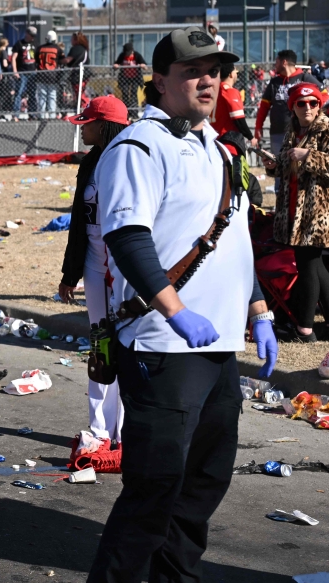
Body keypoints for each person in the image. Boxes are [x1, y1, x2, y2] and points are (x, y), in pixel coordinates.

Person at [87, 27, 277, 581]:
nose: (208, 81)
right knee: (154, 491)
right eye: (194, 70)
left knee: (203, 484)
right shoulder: (138, 146)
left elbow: (233, 240)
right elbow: (128, 239)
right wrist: (176, 310)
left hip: (217, 344)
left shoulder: (216, 147)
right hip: (165, 346)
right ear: (161, 80)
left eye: (215, 71)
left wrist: (259, 313)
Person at [59, 96, 129, 445]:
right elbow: (78, 223)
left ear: (103, 125)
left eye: (86, 123)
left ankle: (128, 432)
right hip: (93, 264)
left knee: (129, 345)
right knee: (101, 344)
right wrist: (69, 274)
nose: (81, 128)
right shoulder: (90, 162)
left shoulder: (131, 157)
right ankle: (101, 431)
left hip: (126, 265)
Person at [263, 83, 329, 342]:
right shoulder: (293, 130)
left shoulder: (325, 128)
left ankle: (305, 328)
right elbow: (287, 164)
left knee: (308, 265)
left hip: (317, 210)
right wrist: (272, 165)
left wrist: (308, 155)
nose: (308, 108)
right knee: (317, 266)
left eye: (313, 102)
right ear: (293, 107)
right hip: (292, 210)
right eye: (301, 104)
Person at [254, 50, 321, 192]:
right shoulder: (274, 82)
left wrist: (317, 116)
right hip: (278, 131)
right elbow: (264, 107)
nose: (274, 65)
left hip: (302, 131)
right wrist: (258, 127)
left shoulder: (305, 77)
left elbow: (323, 95)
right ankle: (280, 196)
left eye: (276, 61)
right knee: (278, 165)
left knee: (301, 166)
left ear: (284, 62)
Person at [212, 63, 253, 141]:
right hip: (228, 140)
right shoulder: (230, 91)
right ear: (231, 74)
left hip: (214, 139)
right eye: (235, 72)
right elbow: (238, 119)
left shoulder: (214, 91)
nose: (236, 75)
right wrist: (251, 137)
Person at [36, 30, 65, 119]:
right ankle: (52, 115)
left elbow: (36, 60)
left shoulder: (40, 48)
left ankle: (41, 115)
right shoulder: (57, 49)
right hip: (53, 75)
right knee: (52, 96)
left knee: (42, 96)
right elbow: (62, 60)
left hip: (41, 74)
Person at [113, 43, 148, 113]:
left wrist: (142, 65)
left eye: (128, 52)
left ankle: (134, 111)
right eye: (126, 52)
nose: (127, 54)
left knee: (133, 93)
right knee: (125, 93)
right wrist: (116, 65)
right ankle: (126, 111)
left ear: (132, 51)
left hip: (135, 78)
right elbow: (117, 63)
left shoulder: (137, 55)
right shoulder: (122, 55)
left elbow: (145, 66)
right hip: (125, 78)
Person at [11, 27, 38, 115]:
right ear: (27, 34)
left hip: (33, 73)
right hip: (22, 72)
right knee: (19, 92)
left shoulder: (35, 44)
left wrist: (37, 69)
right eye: (31, 35)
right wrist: (15, 71)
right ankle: (16, 114)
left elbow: (37, 58)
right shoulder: (19, 44)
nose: (33, 37)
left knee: (32, 93)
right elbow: (13, 58)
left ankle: (32, 114)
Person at [66, 33, 90, 110]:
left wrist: (59, 60)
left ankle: (86, 107)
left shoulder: (76, 49)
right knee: (79, 93)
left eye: (72, 39)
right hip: (84, 75)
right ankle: (82, 108)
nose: (71, 41)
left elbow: (68, 60)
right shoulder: (84, 49)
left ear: (76, 40)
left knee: (80, 93)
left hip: (78, 75)